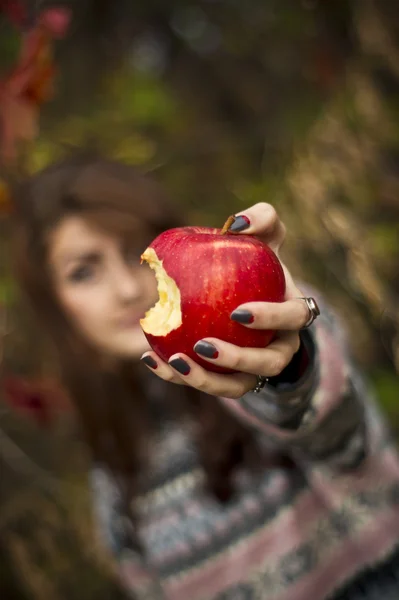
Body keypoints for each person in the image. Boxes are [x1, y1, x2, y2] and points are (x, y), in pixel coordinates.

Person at [12, 154, 399, 600]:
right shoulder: (112, 458)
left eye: (134, 253)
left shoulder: (260, 330)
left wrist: (287, 367)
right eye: (84, 272)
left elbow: (338, 433)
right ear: (56, 304)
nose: (124, 289)